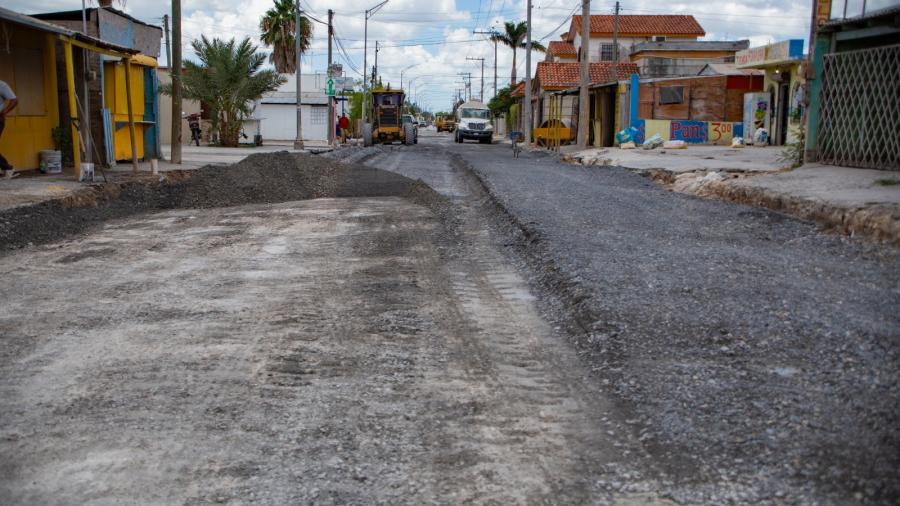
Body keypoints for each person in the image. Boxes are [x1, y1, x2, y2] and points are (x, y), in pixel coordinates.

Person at [0, 79, 19, 179]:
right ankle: (5, 168)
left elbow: (14, 100)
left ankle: (8, 168)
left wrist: (4, 112)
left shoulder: (1, 85)